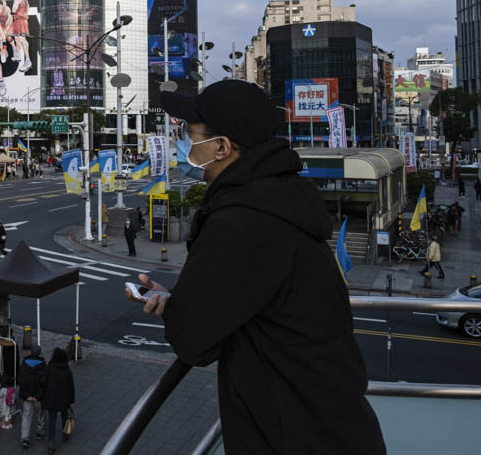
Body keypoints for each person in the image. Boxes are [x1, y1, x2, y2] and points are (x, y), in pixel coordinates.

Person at [131, 80, 385, 453]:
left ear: (222, 147)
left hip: (292, 436)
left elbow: (192, 342)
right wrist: (187, 300)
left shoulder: (240, 222)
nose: (182, 142)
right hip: (335, 426)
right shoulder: (281, 198)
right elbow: (247, 300)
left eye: (190, 133)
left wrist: (179, 310)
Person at [40, 348, 74, 454]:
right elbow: (71, 387)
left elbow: (43, 383)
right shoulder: (67, 370)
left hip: (51, 399)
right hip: (64, 399)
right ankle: (65, 434)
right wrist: (72, 400)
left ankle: (51, 444)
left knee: (52, 421)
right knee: (64, 416)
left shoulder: (49, 368)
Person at [17, 344, 47, 448]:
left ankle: (25, 438)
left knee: (26, 416)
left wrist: (27, 395)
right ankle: (40, 432)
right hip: (38, 398)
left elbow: (21, 381)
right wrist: (37, 396)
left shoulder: (24, 364)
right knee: (40, 414)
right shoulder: (43, 365)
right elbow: (44, 383)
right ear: (39, 353)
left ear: (30, 352)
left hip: (27, 397)